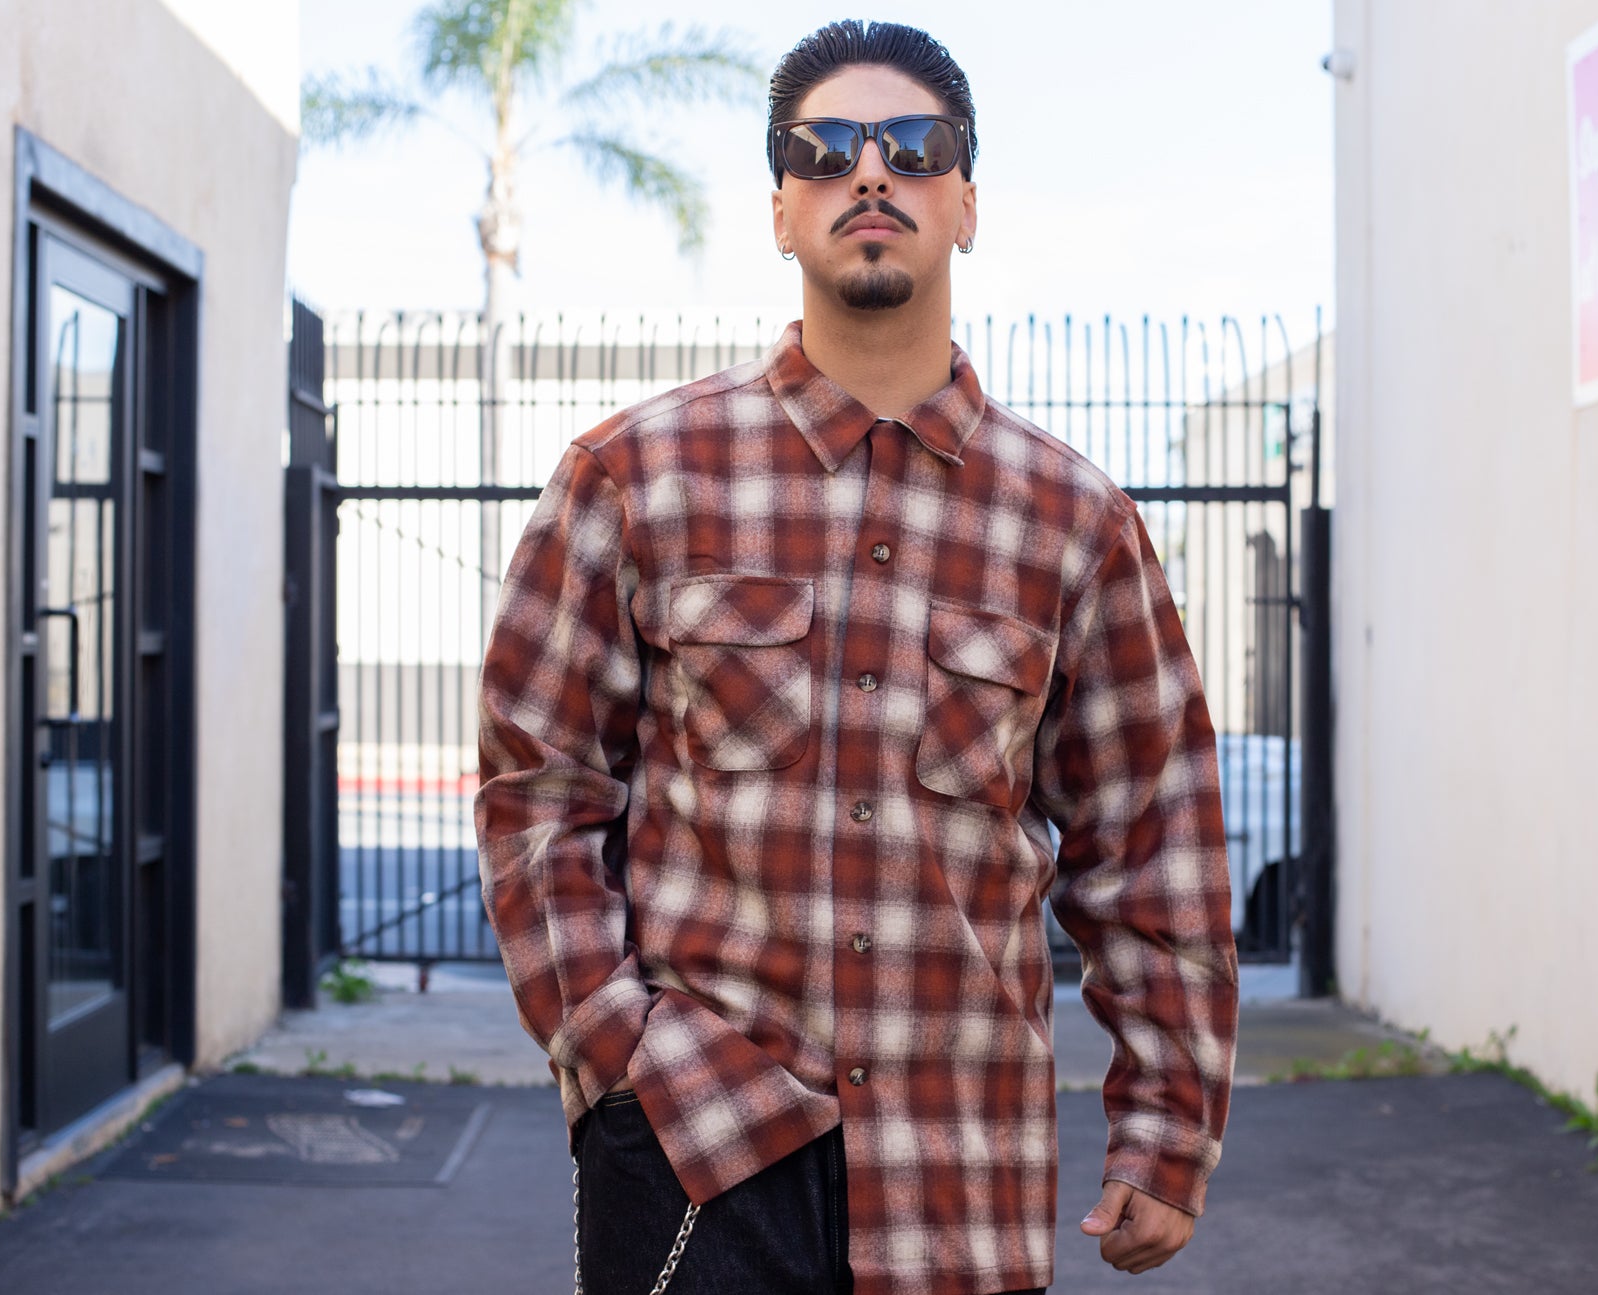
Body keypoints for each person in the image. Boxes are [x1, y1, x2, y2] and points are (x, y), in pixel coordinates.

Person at [475, 19, 1237, 1295]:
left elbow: (1154, 835)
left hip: (963, 1173)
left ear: (968, 202)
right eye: (822, 151)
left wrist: (1168, 1120)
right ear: (781, 210)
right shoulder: (636, 476)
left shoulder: (1073, 521)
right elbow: (538, 791)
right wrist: (616, 1051)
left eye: (913, 147)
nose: (867, 174)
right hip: (698, 1149)